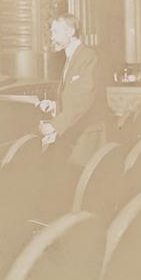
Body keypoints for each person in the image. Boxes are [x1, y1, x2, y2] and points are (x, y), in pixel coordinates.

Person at [37, 13, 107, 167]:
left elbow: (83, 99)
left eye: (55, 32)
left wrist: (54, 126)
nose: (52, 37)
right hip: (75, 130)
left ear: (70, 31)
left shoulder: (88, 56)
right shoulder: (72, 56)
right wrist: (55, 105)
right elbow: (73, 94)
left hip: (86, 135)